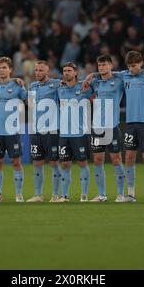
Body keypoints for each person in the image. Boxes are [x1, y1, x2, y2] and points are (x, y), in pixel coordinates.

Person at [0, 57, 28, 202]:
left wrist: (22, 83)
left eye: (4, 67)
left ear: (10, 70)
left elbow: (28, 101)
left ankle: (19, 194)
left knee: (16, 162)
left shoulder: (17, 86)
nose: (1, 70)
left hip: (12, 131)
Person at [86, 55, 125, 202]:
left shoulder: (119, 80)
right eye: (99, 65)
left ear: (111, 65)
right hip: (97, 127)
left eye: (104, 65)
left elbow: (129, 72)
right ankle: (101, 194)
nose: (101, 68)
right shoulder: (95, 83)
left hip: (112, 126)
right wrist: (92, 75)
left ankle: (120, 194)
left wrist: (92, 74)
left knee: (116, 160)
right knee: (97, 160)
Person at [117, 51, 144, 202]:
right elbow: (107, 72)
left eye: (134, 66)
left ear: (141, 63)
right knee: (129, 157)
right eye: (129, 66)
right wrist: (91, 75)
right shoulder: (124, 75)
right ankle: (131, 194)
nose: (131, 69)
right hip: (130, 122)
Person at [56, 62, 92, 202]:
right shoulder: (60, 88)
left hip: (79, 133)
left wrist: (90, 78)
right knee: (64, 164)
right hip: (64, 133)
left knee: (82, 163)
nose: (66, 73)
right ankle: (65, 195)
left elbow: (97, 89)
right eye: (64, 71)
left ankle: (84, 195)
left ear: (75, 72)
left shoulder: (84, 87)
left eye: (69, 70)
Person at [26, 61, 62, 202]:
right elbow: (30, 105)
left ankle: (55, 194)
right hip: (36, 130)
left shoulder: (56, 84)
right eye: (36, 70)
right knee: (37, 162)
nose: (38, 73)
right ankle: (38, 195)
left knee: (54, 162)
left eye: (41, 70)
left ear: (47, 71)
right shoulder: (32, 86)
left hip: (52, 130)